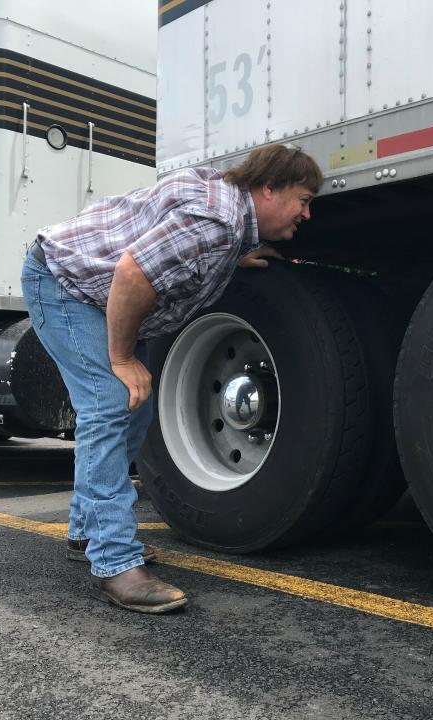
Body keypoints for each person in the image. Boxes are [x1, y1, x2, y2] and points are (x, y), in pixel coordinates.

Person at [21, 144, 322, 613]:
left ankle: (86, 535)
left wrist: (236, 255)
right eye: (303, 199)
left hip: (95, 291)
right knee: (109, 404)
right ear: (269, 188)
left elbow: (177, 243)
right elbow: (132, 274)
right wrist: (121, 358)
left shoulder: (226, 222)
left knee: (131, 415)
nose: (307, 212)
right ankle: (114, 563)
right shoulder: (215, 222)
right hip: (65, 283)